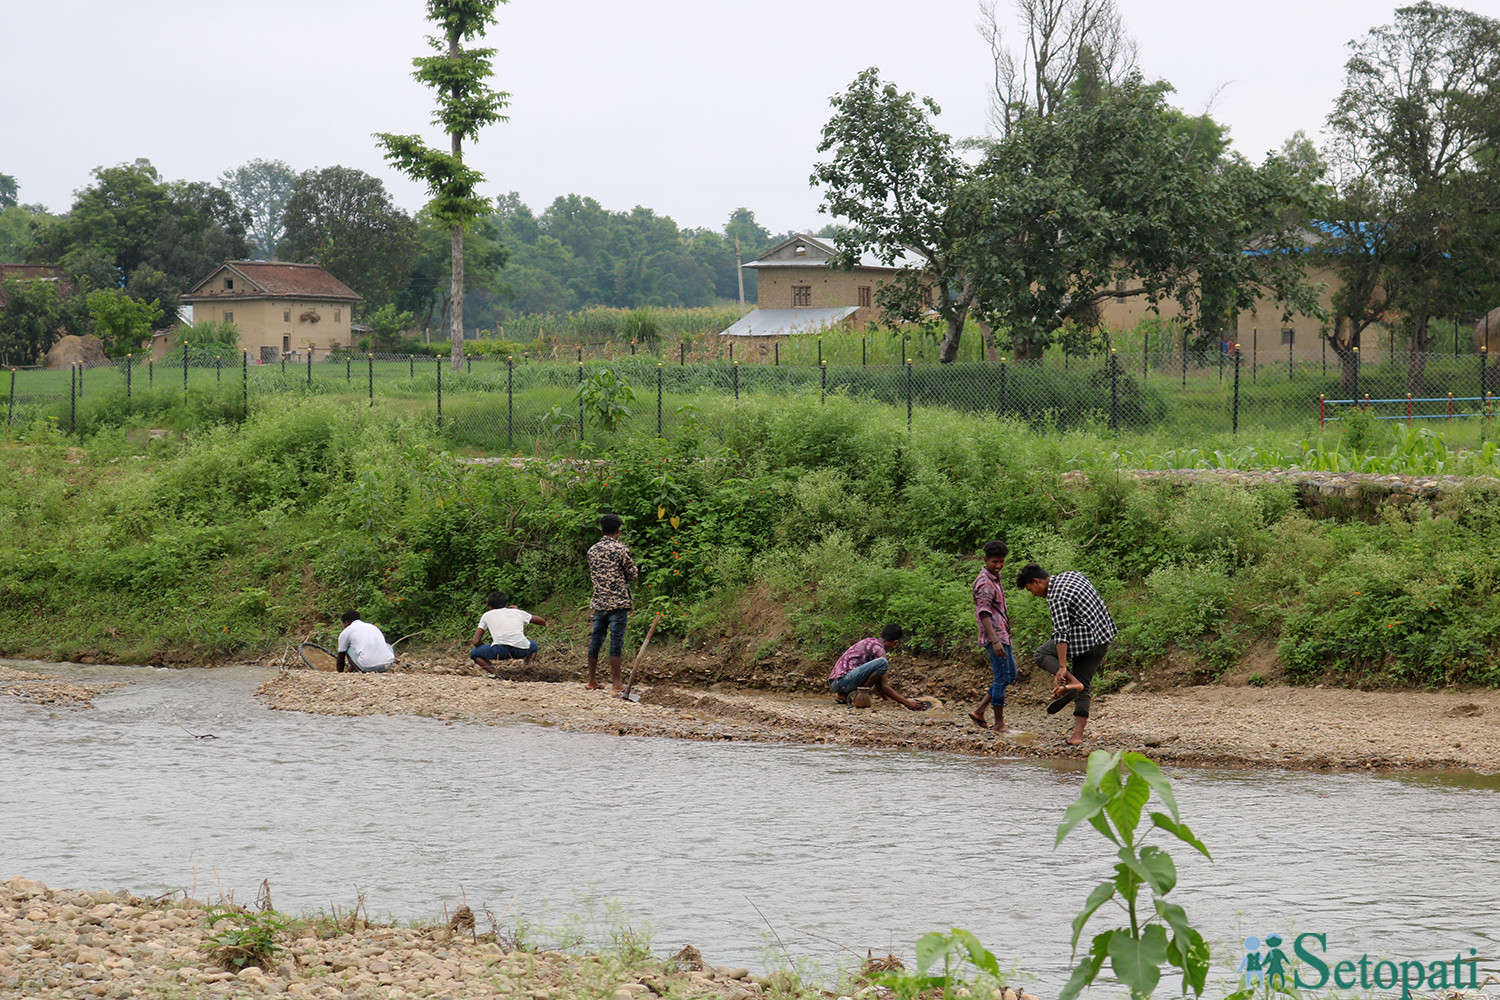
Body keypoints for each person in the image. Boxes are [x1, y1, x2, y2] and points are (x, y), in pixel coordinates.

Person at [1015, 563, 1118, 746]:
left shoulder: (1055, 596)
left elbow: (1061, 632)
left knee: (1041, 654)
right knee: (1084, 686)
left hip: (1083, 639)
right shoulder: (1073, 575)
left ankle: (1072, 682)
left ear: (1037, 581)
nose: (1034, 595)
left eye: (1032, 590)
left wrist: (1062, 667)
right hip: (1102, 637)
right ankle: (1077, 737)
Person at [967, 540, 1017, 734]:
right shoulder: (985, 583)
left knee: (1010, 675)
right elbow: (984, 613)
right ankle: (998, 724)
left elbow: (998, 609)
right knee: (1002, 677)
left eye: (1002, 561)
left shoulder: (995, 577)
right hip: (995, 638)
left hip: (1002, 635)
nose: (999, 565)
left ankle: (979, 711)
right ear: (986, 560)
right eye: (995, 561)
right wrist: (995, 640)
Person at [586, 513, 639, 691]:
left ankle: (592, 681)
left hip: (599, 602)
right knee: (616, 641)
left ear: (602, 531)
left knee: (596, 640)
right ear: (617, 531)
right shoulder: (621, 549)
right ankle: (617, 683)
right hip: (618, 603)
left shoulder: (592, 550)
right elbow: (632, 575)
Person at [828, 624, 931, 711]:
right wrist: (907, 703)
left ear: (881, 634)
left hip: (836, 682)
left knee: (880, 667)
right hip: (842, 682)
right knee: (883, 663)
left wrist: (888, 701)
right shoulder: (879, 649)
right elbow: (884, 686)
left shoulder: (868, 641)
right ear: (895, 642)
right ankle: (857, 695)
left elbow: (877, 680)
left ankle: (843, 695)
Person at [470, 590, 548, 677]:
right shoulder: (517, 612)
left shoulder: (486, 615)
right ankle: (527, 669)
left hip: (500, 651)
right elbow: (542, 621)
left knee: (474, 653)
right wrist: (518, 612)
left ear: (490, 607)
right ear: (506, 604)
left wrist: (484, 646)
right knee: (533, 646)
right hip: (521, 649)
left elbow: (475, 641)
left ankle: (496, 673)